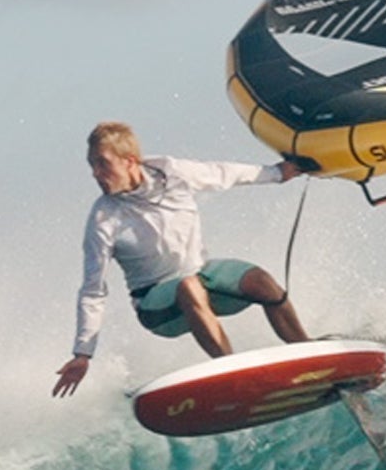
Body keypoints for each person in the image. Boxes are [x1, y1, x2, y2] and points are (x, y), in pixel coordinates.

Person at [52, 120, 316, 398]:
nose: (95, 173)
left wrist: (277, 173)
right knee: (189, 286)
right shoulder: (103, 218)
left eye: (102, 163)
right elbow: (93, 291)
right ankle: (233, 373)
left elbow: (222, 174)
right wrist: (83, 353)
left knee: (261, 281)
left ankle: (313, 355)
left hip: (200, 276)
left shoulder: (172, 173)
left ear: (130, 161)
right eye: (91, 165)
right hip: (156, 305)